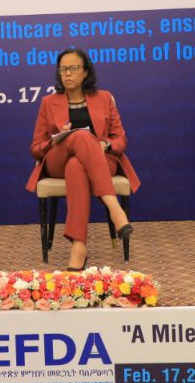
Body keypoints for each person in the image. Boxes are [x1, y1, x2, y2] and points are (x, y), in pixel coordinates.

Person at [25, 48, 140, 271]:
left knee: (76, 165)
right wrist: (57, 139)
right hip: (57, 160)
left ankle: (79, 246)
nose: (67, 73)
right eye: (63, 69)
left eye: (73, 68)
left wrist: (105, 145)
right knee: (80, 136)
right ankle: (114, 207)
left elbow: (120, 140)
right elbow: (36, 149)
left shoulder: (104, 98)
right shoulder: (49, 102)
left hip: (100, 160)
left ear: (85, 72)